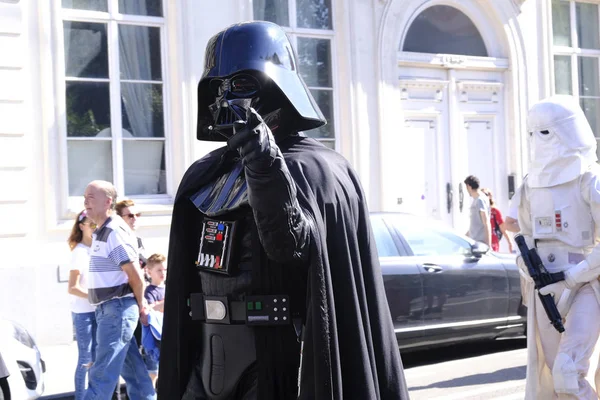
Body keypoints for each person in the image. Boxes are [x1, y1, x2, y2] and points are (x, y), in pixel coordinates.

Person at [159, 21, 409, 400]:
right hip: (209, 353)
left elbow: (291, 245)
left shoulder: (318, 169)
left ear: (275, 87)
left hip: (280, 358)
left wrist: (264, 165)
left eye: (241, 85)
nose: (227, 99)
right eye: (218, 87)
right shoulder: (206, 174)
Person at [515, 95, 600, 399]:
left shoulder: (589, 178)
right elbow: (522, 235)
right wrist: (525, 265)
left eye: (546, 132)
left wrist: (577, 275)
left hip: (584, 283)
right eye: (534, 133)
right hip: (545, 288)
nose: (539, 140)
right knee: (552, 375)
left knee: (568, 370)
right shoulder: (530, 184)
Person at [83, 180, 156, 400]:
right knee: (135, 375)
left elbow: (136, 277)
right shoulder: (103, 231)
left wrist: (141, 305)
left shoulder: (113, 231)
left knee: (102, 376)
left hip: (116, 310)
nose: (85, 201)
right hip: (113, 311)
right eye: (84, 197)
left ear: (107, 202)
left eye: (90, 197)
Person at [67, 210, 97, 400]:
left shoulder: (97, 248)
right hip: (84, 313)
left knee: (97, 359)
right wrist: (95, 297)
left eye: (96, 223)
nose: (94, 227)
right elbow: (72, 287)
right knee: (86, 359)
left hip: (98, 311)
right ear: (81, 226)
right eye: (91, 224)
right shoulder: (79, 252)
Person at [142, 253, 166, 387]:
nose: (163, 273)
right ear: (149, 272)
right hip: (154, 339)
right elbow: (149, 309)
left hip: (166, 337)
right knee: (153, 373)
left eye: (164, 270)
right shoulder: (149, 291)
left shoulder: (169, 288)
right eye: (159, 270)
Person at [116, 199, 147, 268]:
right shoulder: (117, 241)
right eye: (130, 215)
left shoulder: (137, 241)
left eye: (137, 215)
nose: (135, 218)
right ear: (119, 218)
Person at [481, 188, 513, 253]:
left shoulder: (495, 211)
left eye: (486, 194)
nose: (484, 196)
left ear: (490, 196)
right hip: (480, 241)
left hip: (493, 242)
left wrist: (509, 242)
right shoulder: (479, 210)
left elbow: (502, 228)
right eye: (482, 194)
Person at [464, 175, 492, 246]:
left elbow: (486, 223)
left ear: (469, 187)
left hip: (479, 243)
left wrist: (488, 245)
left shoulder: (480, 200)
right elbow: (475, 226)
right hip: (474, 241)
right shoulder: (479, 199)